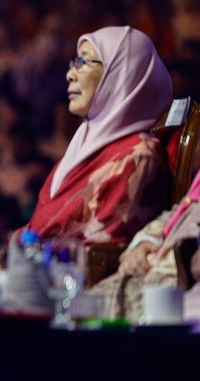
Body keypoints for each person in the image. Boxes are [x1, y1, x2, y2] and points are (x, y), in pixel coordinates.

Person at [25, 27, 172, 244]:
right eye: (74, 63)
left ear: (121, 73)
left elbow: (102, 249)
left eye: (83, 62)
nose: (70, 74)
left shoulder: (139, 157)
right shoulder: (82, 143)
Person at [90, 169, 200, 322]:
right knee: (81, 306)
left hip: (173, 290)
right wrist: (144, 242)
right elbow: (176, 213)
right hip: (146, 277)